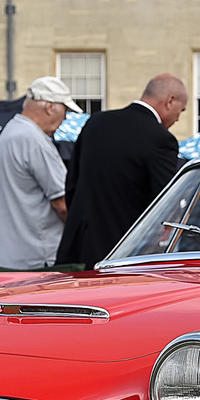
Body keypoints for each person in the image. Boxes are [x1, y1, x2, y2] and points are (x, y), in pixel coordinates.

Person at [57, 73, 187, 268]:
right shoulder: (161, 139)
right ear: (170, 101)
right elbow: (163, 203)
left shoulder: (96, 122)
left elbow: (72, 184)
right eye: (181, 110)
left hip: (77, 245)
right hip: (123, 252)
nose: (178, 118)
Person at [0, 76, 81, 270]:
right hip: (40, 260)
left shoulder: (10, 132)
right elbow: (62, 205)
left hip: (7, 260)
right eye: (65, 110)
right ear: (49, 107)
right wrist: (85, 237)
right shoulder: (35, 140)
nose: (65, 118)